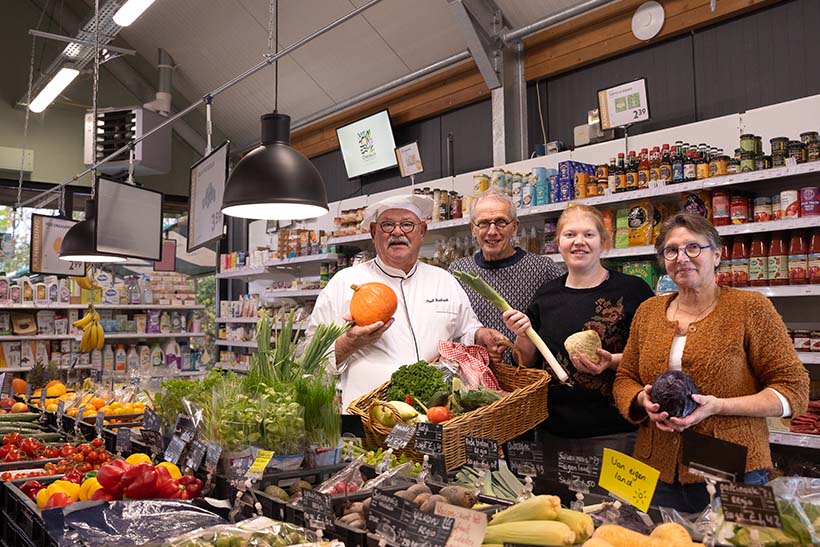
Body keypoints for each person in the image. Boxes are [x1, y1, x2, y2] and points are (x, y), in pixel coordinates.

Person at [613, 212, 809, 513]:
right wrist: (641, 399)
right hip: (656, 468)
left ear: (717, 254)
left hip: (732, 467)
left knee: (736, 540)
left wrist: (719, 406)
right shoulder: (648, 312)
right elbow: (625, 377)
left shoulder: (750, 308)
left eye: (694, 247)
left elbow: (793, 390)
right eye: (671, 250)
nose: (682, 258)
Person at [502, 203, 655, 499]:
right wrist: (522, 334)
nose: (579, 242)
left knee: (617, 524)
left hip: (618, 433)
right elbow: (527, 360)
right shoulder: (547, 295)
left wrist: (612, 363)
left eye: (588, 234)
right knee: (561, 522)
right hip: (553, 433)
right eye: (570, 234)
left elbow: (652, 356)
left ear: (603, 242)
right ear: (558, 242)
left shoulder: (634, 290)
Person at [309, 194, 505, 411]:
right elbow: (311, 356)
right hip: (369, 417)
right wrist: (349, 343)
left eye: (407, 225)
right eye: (387, 225)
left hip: (436, 418)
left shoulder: (444, 280)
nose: (397, 232)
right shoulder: (343, 284)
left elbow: (465, 330)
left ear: (422, 231)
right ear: (373, 232)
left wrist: (479, 335)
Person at [449, 191, 563, 356]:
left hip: (527, 376)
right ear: (473, 229)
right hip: (473, 376)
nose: (492, 231)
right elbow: (450, 330)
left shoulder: (543, 269)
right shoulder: (458, 272)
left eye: (501, 222)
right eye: (483, 223)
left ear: (515, 227)